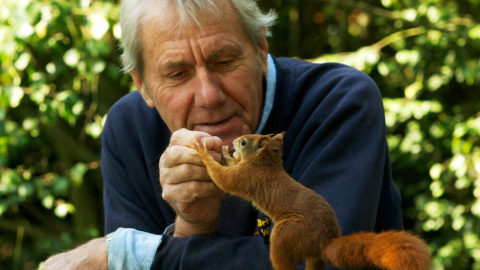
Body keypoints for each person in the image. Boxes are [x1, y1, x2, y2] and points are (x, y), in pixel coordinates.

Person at [42, 0, 403, 269]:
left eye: (224, 61)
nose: (209, 96)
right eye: (177, 73)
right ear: (144, 86)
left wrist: (130, 254)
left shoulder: (337, 102)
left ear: (261, 49)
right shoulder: (128, 128)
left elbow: (324, 260)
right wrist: (191, 226)